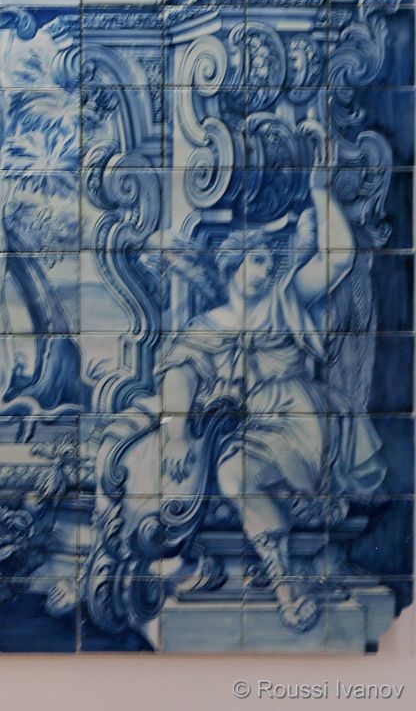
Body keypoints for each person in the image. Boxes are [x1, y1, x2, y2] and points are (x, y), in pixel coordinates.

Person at [151, 167, 385, 631]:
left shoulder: (286, 299)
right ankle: (284, 580)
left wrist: (319, 190)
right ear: (232, 265)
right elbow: (179, 373)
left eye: (267, 262)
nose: (265, 270)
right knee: (231, 474)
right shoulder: (206, 327)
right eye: (257, 261)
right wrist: (175, 433)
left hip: (301, 416)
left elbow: (340, 256)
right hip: (253, 426)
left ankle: (285, 578)